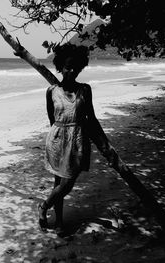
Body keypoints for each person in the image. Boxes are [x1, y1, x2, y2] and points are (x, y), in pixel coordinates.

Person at [38, 43, 101, 236]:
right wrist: (59, 135)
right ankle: (59, 223)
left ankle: (44, 205)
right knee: (59, 183)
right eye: (67, 66)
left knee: (68, 182)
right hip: (57, 140)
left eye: (75, 67)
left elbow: (91, 117)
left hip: (78, 139)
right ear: (60, 67)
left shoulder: (85, 90)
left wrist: (102, 141)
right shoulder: (51, 91)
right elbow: (52, 118)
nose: (71, 70)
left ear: (80, 67)